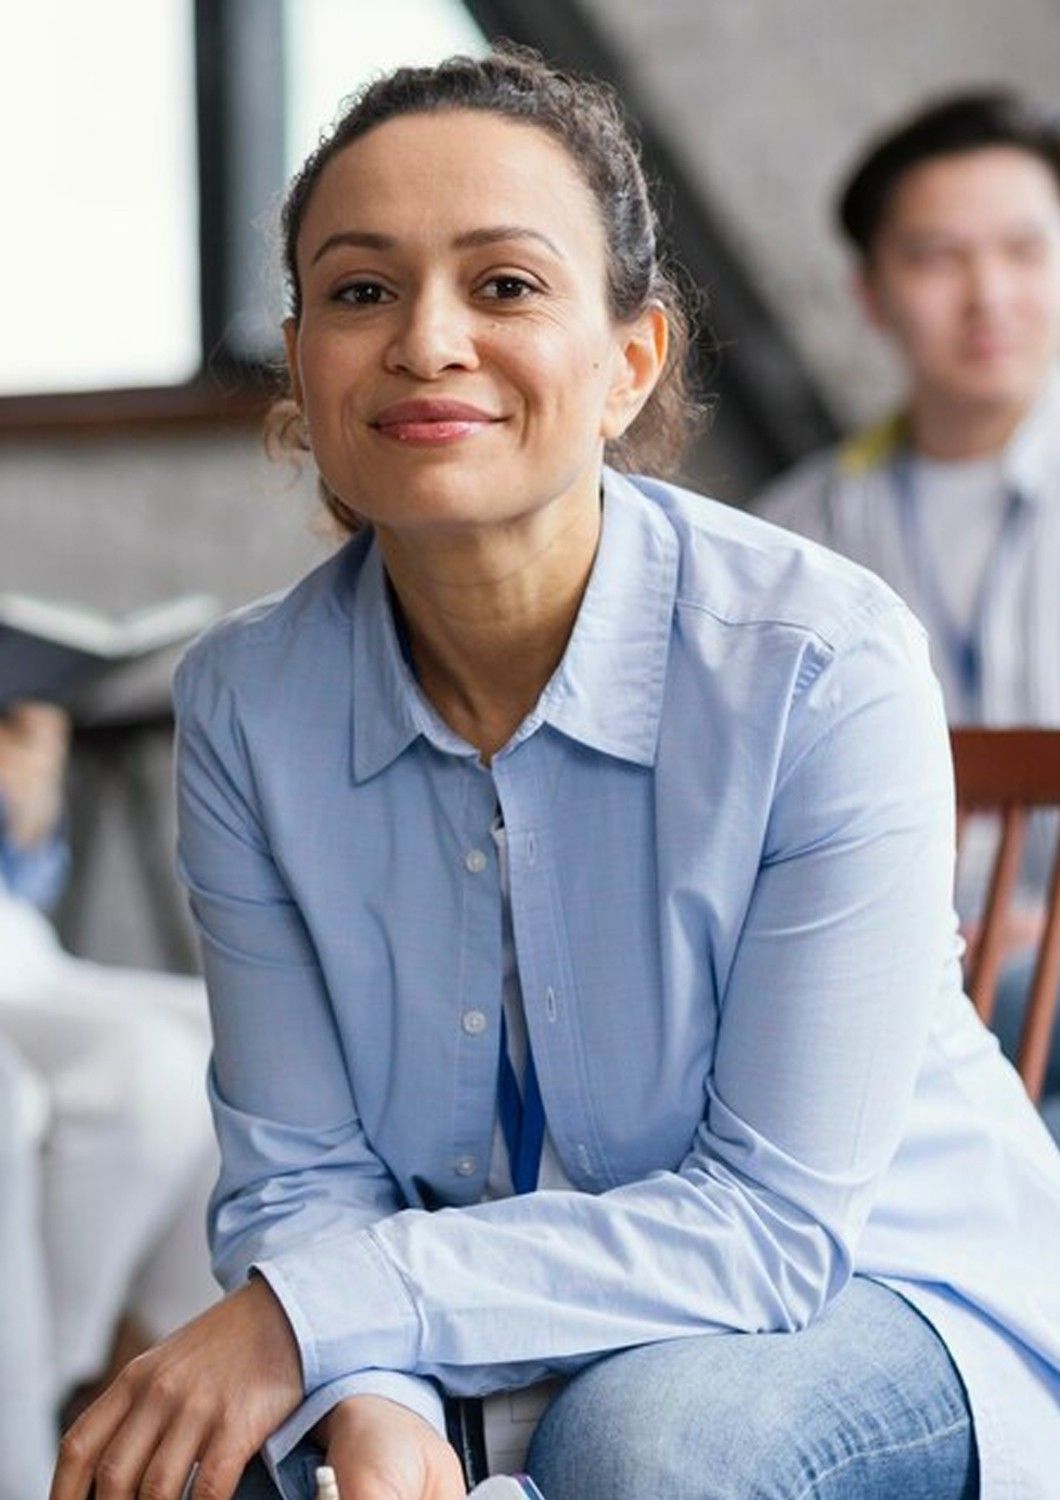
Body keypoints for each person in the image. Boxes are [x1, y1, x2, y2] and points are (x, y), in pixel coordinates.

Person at [52, 49, 1060, 1500]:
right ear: (302, 360)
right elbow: (299, 1170)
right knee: (242, 1460)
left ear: (629, 359)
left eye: (506, 286)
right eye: (359, 291)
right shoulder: (245, 704)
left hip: (884, 1293)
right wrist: (375, 1402)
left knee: (644, 1446)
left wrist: (317, 1318)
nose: (426, 342)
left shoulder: (819, 663)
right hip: (493, 1312)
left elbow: (767, 1231)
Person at [752, 90, 1060, 1099]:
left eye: (1024, 251)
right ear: (871, 293)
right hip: (875, 970)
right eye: (938, 258)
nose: (989, 296)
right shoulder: (790, 538)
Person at [0, 700, 217, 1493]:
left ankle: (140, 1403)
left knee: (236, 1043)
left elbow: (24, 880)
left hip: (15, 938)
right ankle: (44, 1415)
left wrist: (26, 813)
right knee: (141, 1077)